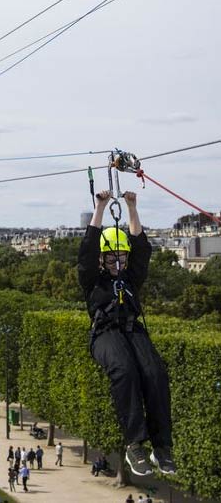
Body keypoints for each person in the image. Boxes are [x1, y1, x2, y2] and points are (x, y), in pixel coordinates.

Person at [78, 191, 176, 477]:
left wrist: (132, 208)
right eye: (112, 258)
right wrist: (100, 206)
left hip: (133, 330)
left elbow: (142, 248)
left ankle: (162, 447)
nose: (118, 262)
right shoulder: (92, 280)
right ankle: (135, 444)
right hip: (105, 333)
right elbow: (86, 249)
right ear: (102, 259)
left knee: (155, 372)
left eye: (122, 256)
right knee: (125, 370)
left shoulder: (131, 278)